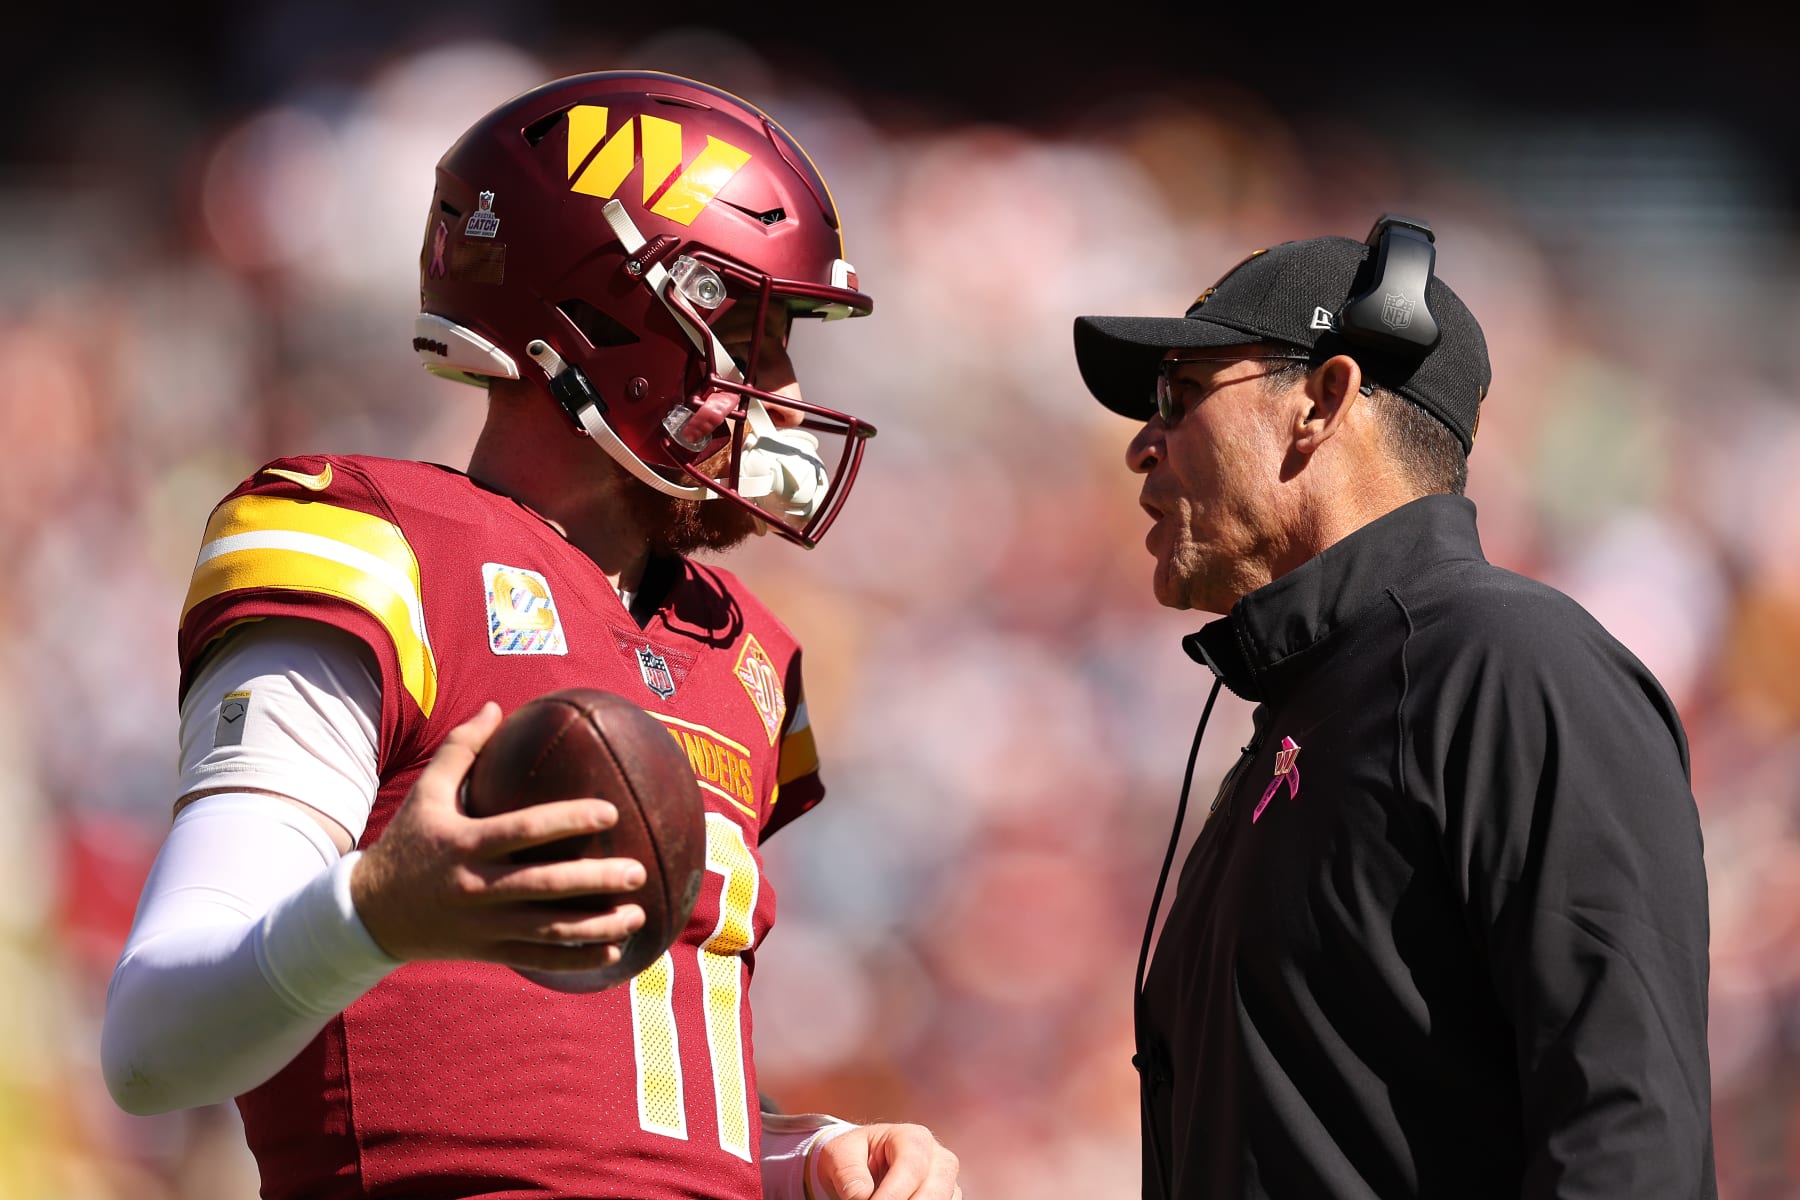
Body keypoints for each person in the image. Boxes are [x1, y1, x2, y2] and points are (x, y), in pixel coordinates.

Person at [102, 70, 960, 1200]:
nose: (785, 388)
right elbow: (155, 1041)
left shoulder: (745, 653)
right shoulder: (376, 545)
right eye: (753, 331)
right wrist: (375, 912)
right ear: (606, 315)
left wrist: (805, 1157)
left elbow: (610, 1112)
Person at [1072, 216, 1714, 1199]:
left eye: (1180, 393)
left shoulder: (1511, 667)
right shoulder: (1300, 715)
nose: (1142, 447)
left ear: (1324, 400)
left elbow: (1628, 1138)